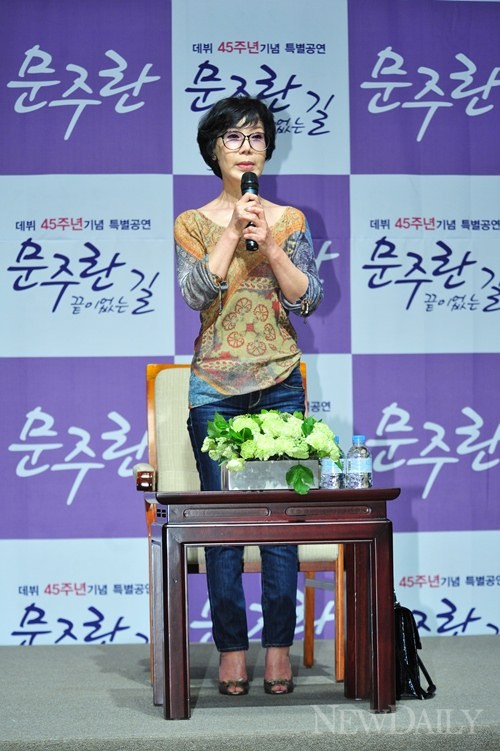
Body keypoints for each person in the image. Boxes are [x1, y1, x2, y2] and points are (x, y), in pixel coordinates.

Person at [174, 95, 324, 696]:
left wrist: (273, 245)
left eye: (256, 137)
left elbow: (306, 299)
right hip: (215, 386)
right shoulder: (192, 222)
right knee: (225, 528)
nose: (246, 147)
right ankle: (233, 651)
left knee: (281, 524)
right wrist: (233, 230)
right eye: (234, 138)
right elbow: (196, 293)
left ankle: (279, 650)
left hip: (280, 383)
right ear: (214, 151)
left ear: (268, 150)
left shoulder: (288, 219)